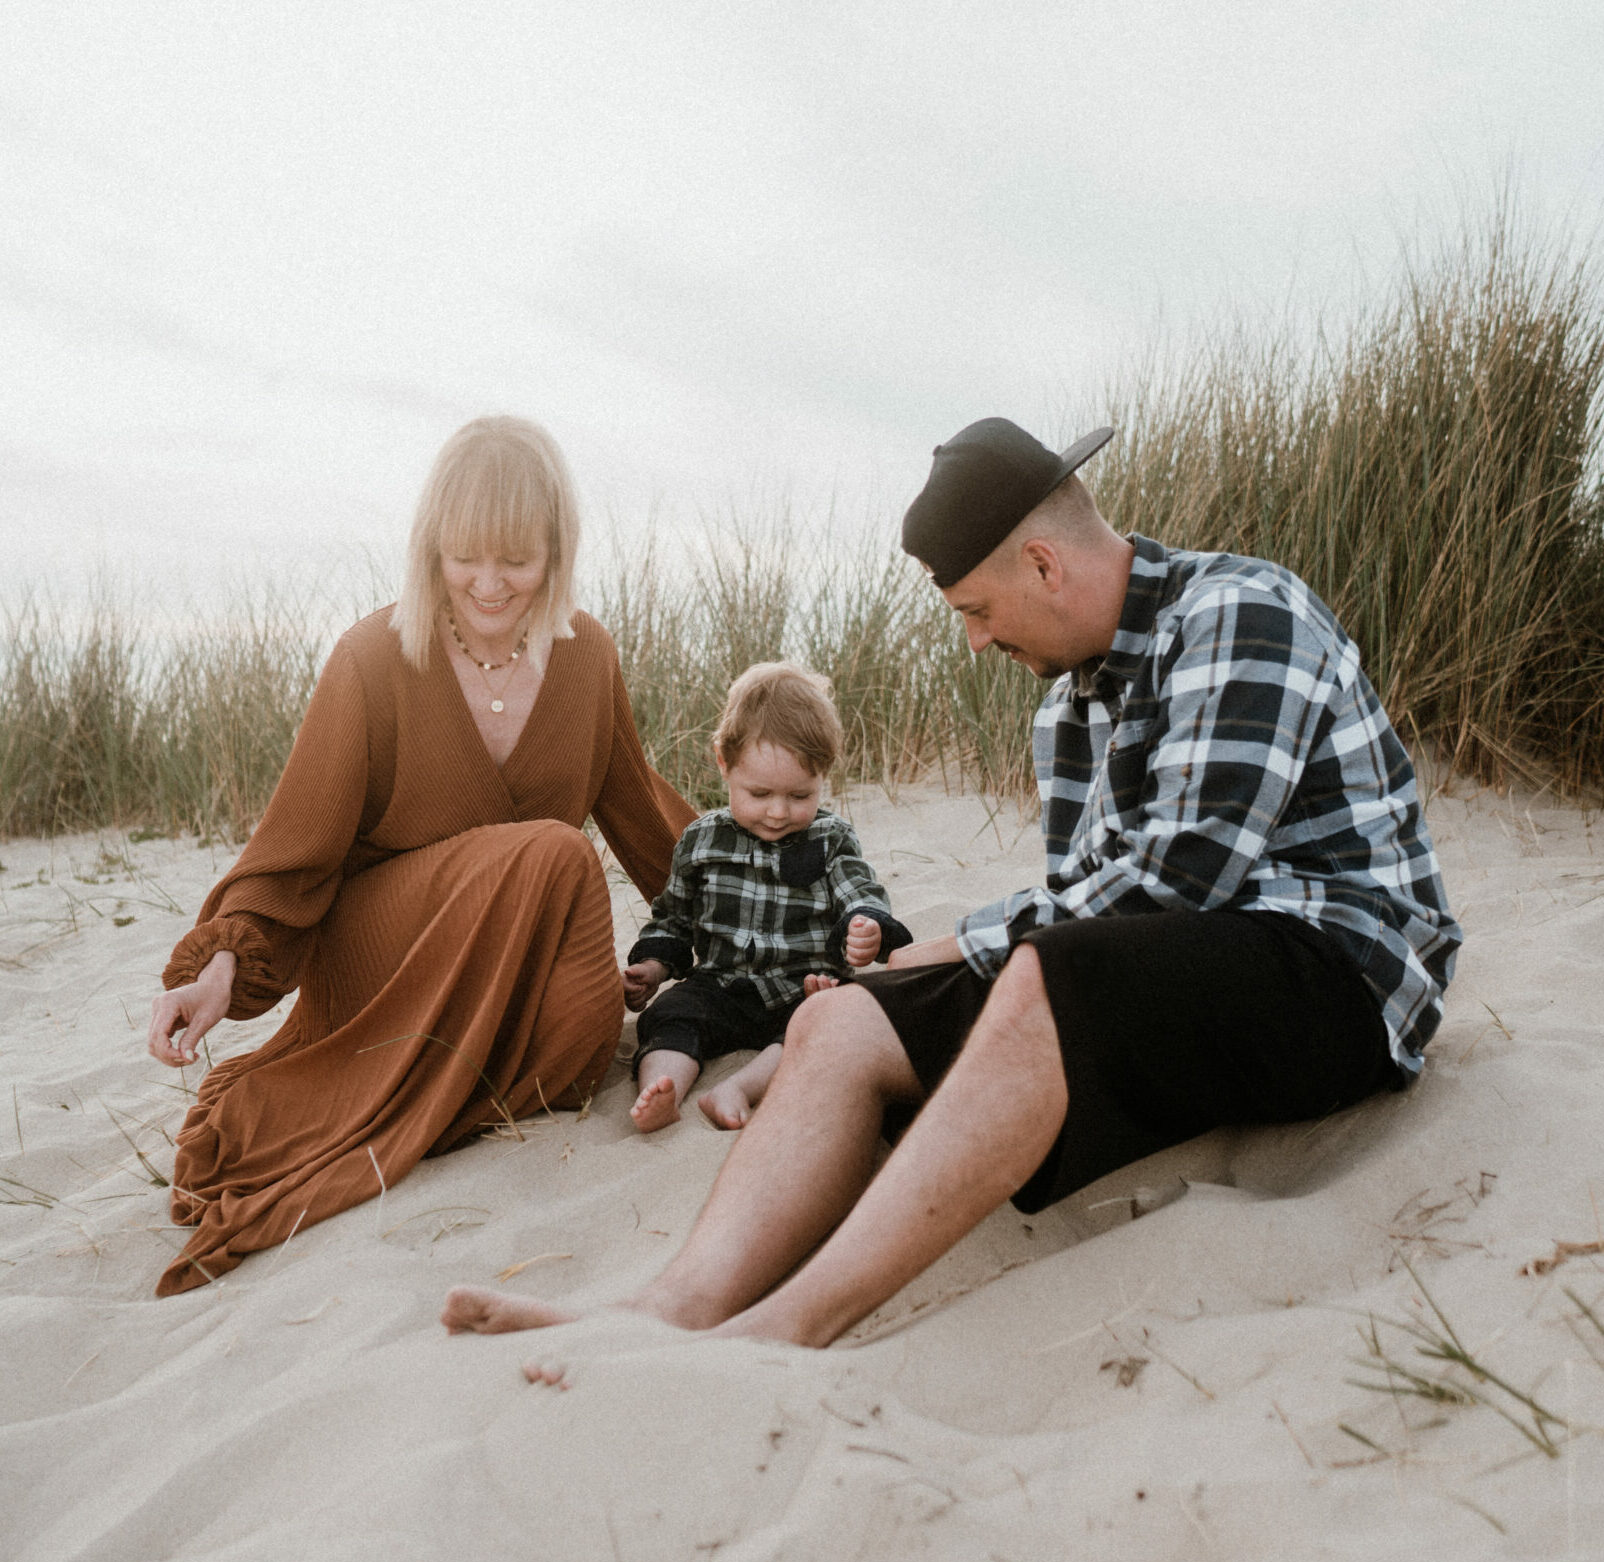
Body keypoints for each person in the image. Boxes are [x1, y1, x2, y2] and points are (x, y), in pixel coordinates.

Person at [442, 416, 1461, 1365]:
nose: (974, 642)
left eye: (976, 610)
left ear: (1043, 562)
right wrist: (897, 980)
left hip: (1337, 971)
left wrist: (949, 945)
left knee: (1024, 970)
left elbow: (1176, 882)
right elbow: (1088, 906)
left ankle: (786, 1326)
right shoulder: (1065, 713)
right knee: (842, 1023)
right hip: (1175, 983)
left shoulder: (1236, 614)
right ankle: (670, 1310)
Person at [147, 415, 695, 1297]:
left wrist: (771, 911)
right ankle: (361, 1095)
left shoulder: (587, 659)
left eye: (515, 560)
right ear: (431, 548)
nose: (487, 584)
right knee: (558, 856)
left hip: (514, 964)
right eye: (464, 556)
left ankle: (434, 1099)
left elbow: (647, 820)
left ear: (556, 551)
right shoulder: (373, 659)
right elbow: (291, 854)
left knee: (581, 1052)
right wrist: (219, 970)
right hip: (385, 953)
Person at [624, 661, 912, 1135]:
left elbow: (858, 891)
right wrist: (653, 968)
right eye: (758, 793)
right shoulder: (702, 840)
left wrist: (866, 926)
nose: (778, 813)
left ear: (823, 776)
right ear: (724, 762)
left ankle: (740, 1088)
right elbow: (673, 919)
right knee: (670, 1015)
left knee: (824, 1025)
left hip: (801, 988)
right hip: (720, 986)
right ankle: (663, 1089)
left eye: (800, 795)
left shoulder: (830, 838)